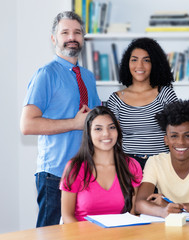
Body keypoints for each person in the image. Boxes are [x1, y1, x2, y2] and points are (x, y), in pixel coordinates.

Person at [20, 11, 101, 227]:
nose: (71, 37)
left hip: (86, 171)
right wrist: (73, 124)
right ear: (54, 39)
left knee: (81, 231)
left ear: (83, 38)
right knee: (49, 232)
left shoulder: (88, 76)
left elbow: (94, 119)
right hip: (55, 173)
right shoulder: (45, 74)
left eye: (77, 32)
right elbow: (27, 125)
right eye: (65, 32)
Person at [60, 106, 142, 223]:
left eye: (111, 127)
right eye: (98, 129)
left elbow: (131, 214)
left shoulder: (131, 166)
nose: (106, 134)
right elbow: (67, 216)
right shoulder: (75, 167)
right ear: (88, 132)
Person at [107, 38, 178, 170]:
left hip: (162, 164)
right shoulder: (116, 99)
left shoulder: (165, 94)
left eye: (146, 60)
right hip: (128, 165)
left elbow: (178, 132)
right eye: (134, 60)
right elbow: (111, 139)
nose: (139, 66)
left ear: (155, 64)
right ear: (127, 64)